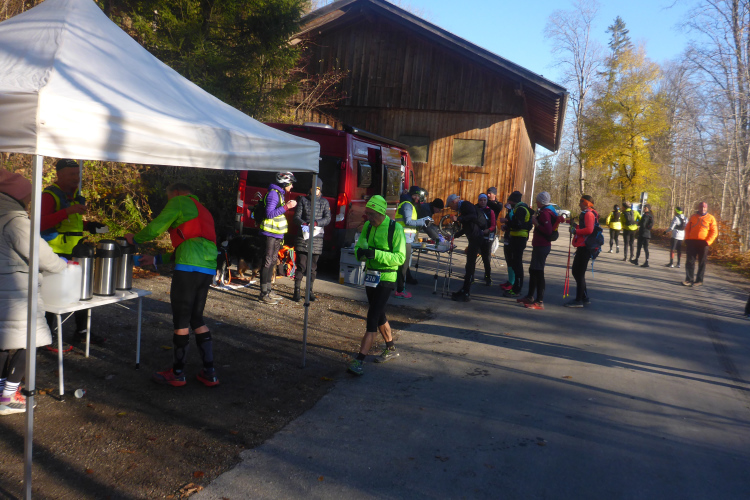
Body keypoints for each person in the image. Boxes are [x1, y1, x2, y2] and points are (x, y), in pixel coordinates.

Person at [125, 182, 219, 387]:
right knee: (196, 317)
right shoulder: (204, 211)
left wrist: (136, 239)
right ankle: (209, 372)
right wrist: (156, 259)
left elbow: (156, 227)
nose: (169, 202)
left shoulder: (179, 201)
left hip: (188, 267)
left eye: (169, 197)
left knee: (181, 320)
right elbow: (191, 245)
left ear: (176, 192)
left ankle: (177, 373)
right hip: (207, 267)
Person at [0, 171, 67, 415]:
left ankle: (1, 392)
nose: (29, 201)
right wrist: (62, 266)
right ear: (17, 196)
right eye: (28, 196)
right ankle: (7, 397)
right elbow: (42, 255)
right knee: (28, 340)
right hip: (17, 291)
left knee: (3, 342)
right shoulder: (15, 221)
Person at [41, 158, 109, 349]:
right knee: (53, 296)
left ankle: (82, 331)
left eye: (77, 174)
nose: (76, 178)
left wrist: (89, 226)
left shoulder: (73, 196)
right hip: (55, 253)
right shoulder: (49, 196)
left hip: (77, 253)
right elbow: (41, 223)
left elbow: (71, 224)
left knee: (82, 293)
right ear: (59, 175)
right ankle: (46, 335)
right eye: (71, 174)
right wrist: (68, 211)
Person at [347, 195, 405, 375]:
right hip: (371, 276)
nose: (368, 218)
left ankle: (360, 360)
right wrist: (360, 253)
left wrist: (376, 254)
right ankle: (391, 348)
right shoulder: (367, 226)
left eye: (371, 214)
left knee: (372, 317)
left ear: (381, 213)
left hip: (387, 277)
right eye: (367, 214)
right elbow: (360, 246)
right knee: (379, 313)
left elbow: (400, 258)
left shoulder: (395, 229)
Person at [258, 172, 297, 304]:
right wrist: (287, 207)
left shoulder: (280, 193)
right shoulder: (273, 194)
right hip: (269, 233)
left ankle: (268, 290)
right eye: (291, 183)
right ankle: (263, 293)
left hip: (276, 234)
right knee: (267, 261)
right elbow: (269, 214)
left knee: (273, 261)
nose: (292, 186)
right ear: (285, 183)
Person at [292, 178, 331, 302]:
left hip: (317, 239)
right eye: (313, 188)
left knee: (312, 268)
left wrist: (316, 223)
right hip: (303, 238)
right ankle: (297, 291)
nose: (315, 191)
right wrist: (304, 223)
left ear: (320, 190)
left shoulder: (324, 202)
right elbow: (296, 217)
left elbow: (328, 218)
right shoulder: (303, 200)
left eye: (318, 189)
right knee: (301, 266)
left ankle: (309, 291)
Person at [519, 192, 559, 310]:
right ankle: (530, 296)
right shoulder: (546, 211)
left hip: (542, 245)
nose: (536, 202)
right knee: (533, 270)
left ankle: (539, 301)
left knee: (538, 271)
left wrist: (536, 223)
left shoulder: (546, 213)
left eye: (537, 200)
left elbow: (548, 230)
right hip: (540, 244)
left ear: (541, 201)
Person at [395, 186, 431, 299]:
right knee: (403, 266)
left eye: (418, 196)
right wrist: (423, 221)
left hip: (405, 238)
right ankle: (400, 290)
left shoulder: (408, 204)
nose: (417, 198)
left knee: (402, 265)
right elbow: (408, 221)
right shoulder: (407, 205)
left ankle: (399, 288)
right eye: (415, 195)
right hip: (403, 239)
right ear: (411, 195)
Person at [446, 194, 484, 302]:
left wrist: (458, 218)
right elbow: (466, 228)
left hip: (476, 237)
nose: (451, 208)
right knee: (469, 265)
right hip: (474, 237)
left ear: (454, 202)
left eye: (450, 206)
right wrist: (454, 236)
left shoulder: (465, 205)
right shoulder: (463, 208)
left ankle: (466, 292)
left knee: (470, 265)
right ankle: (465, 290)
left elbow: (473, 216)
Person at [564, 195, 598, 308]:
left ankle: (579, 300)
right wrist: (575, 226)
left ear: (586, 203)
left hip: (585, 247)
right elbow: (585, 227)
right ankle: (584, 297)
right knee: (578, 272)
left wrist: (575, 231)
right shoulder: (588, 213)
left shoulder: (588, 214)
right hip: (584, 246)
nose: (579, 204)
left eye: (581, 202)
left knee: (578, 273)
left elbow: (589, 230)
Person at [500, 191, 533, 298]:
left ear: (512, 201)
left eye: (509, 201)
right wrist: (507, 226)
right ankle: (515, 286)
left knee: (517, 264)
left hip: (519, 239)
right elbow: (517, 224)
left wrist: (507, 221)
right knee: (514, 263)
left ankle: (517, 289)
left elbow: (518, 224)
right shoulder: (519, 208)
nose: (508, 203)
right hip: (516, 238)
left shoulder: (520, 209)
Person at [683, 201, 718, 287]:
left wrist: (708, 241)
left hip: (704, 243)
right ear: (698, 208)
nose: (703, 209)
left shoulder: (711, 218)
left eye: (704, 207)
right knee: (690, 261)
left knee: (702, 262)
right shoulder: (693, 217)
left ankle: (699, 280)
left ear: (707, 208)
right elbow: (687, 229)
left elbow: (714, 232)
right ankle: (689, 279)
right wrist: (687, 238)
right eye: (701, 207)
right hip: (692, 242)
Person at [476, 194, 497, 285]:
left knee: (486, 257)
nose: (483, 202)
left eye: (484, 200)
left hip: (487, 236)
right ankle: (470, 275)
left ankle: (488, 276)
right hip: (477, 235)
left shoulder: (490, 211)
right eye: (481, 200)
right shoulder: (475, 209)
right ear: (478, 201)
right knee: (473, 255)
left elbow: (493, 225)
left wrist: (488, 230)